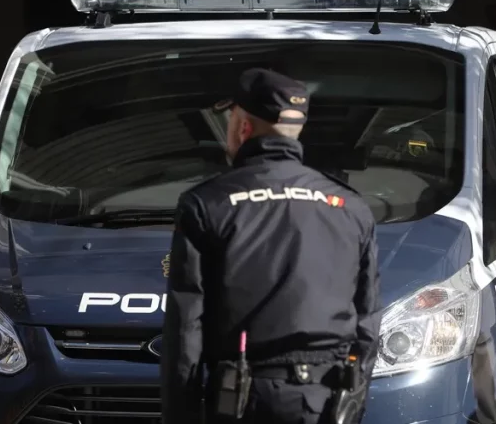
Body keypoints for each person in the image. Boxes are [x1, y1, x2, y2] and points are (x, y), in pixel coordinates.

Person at [160, 67, 382, 424]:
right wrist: (351, 402)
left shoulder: (207, 203)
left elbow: (186, 330)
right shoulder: (351, 207)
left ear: (242, 127)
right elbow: (368, 324)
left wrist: (179, 415)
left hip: (244, 400)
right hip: (326, 401)